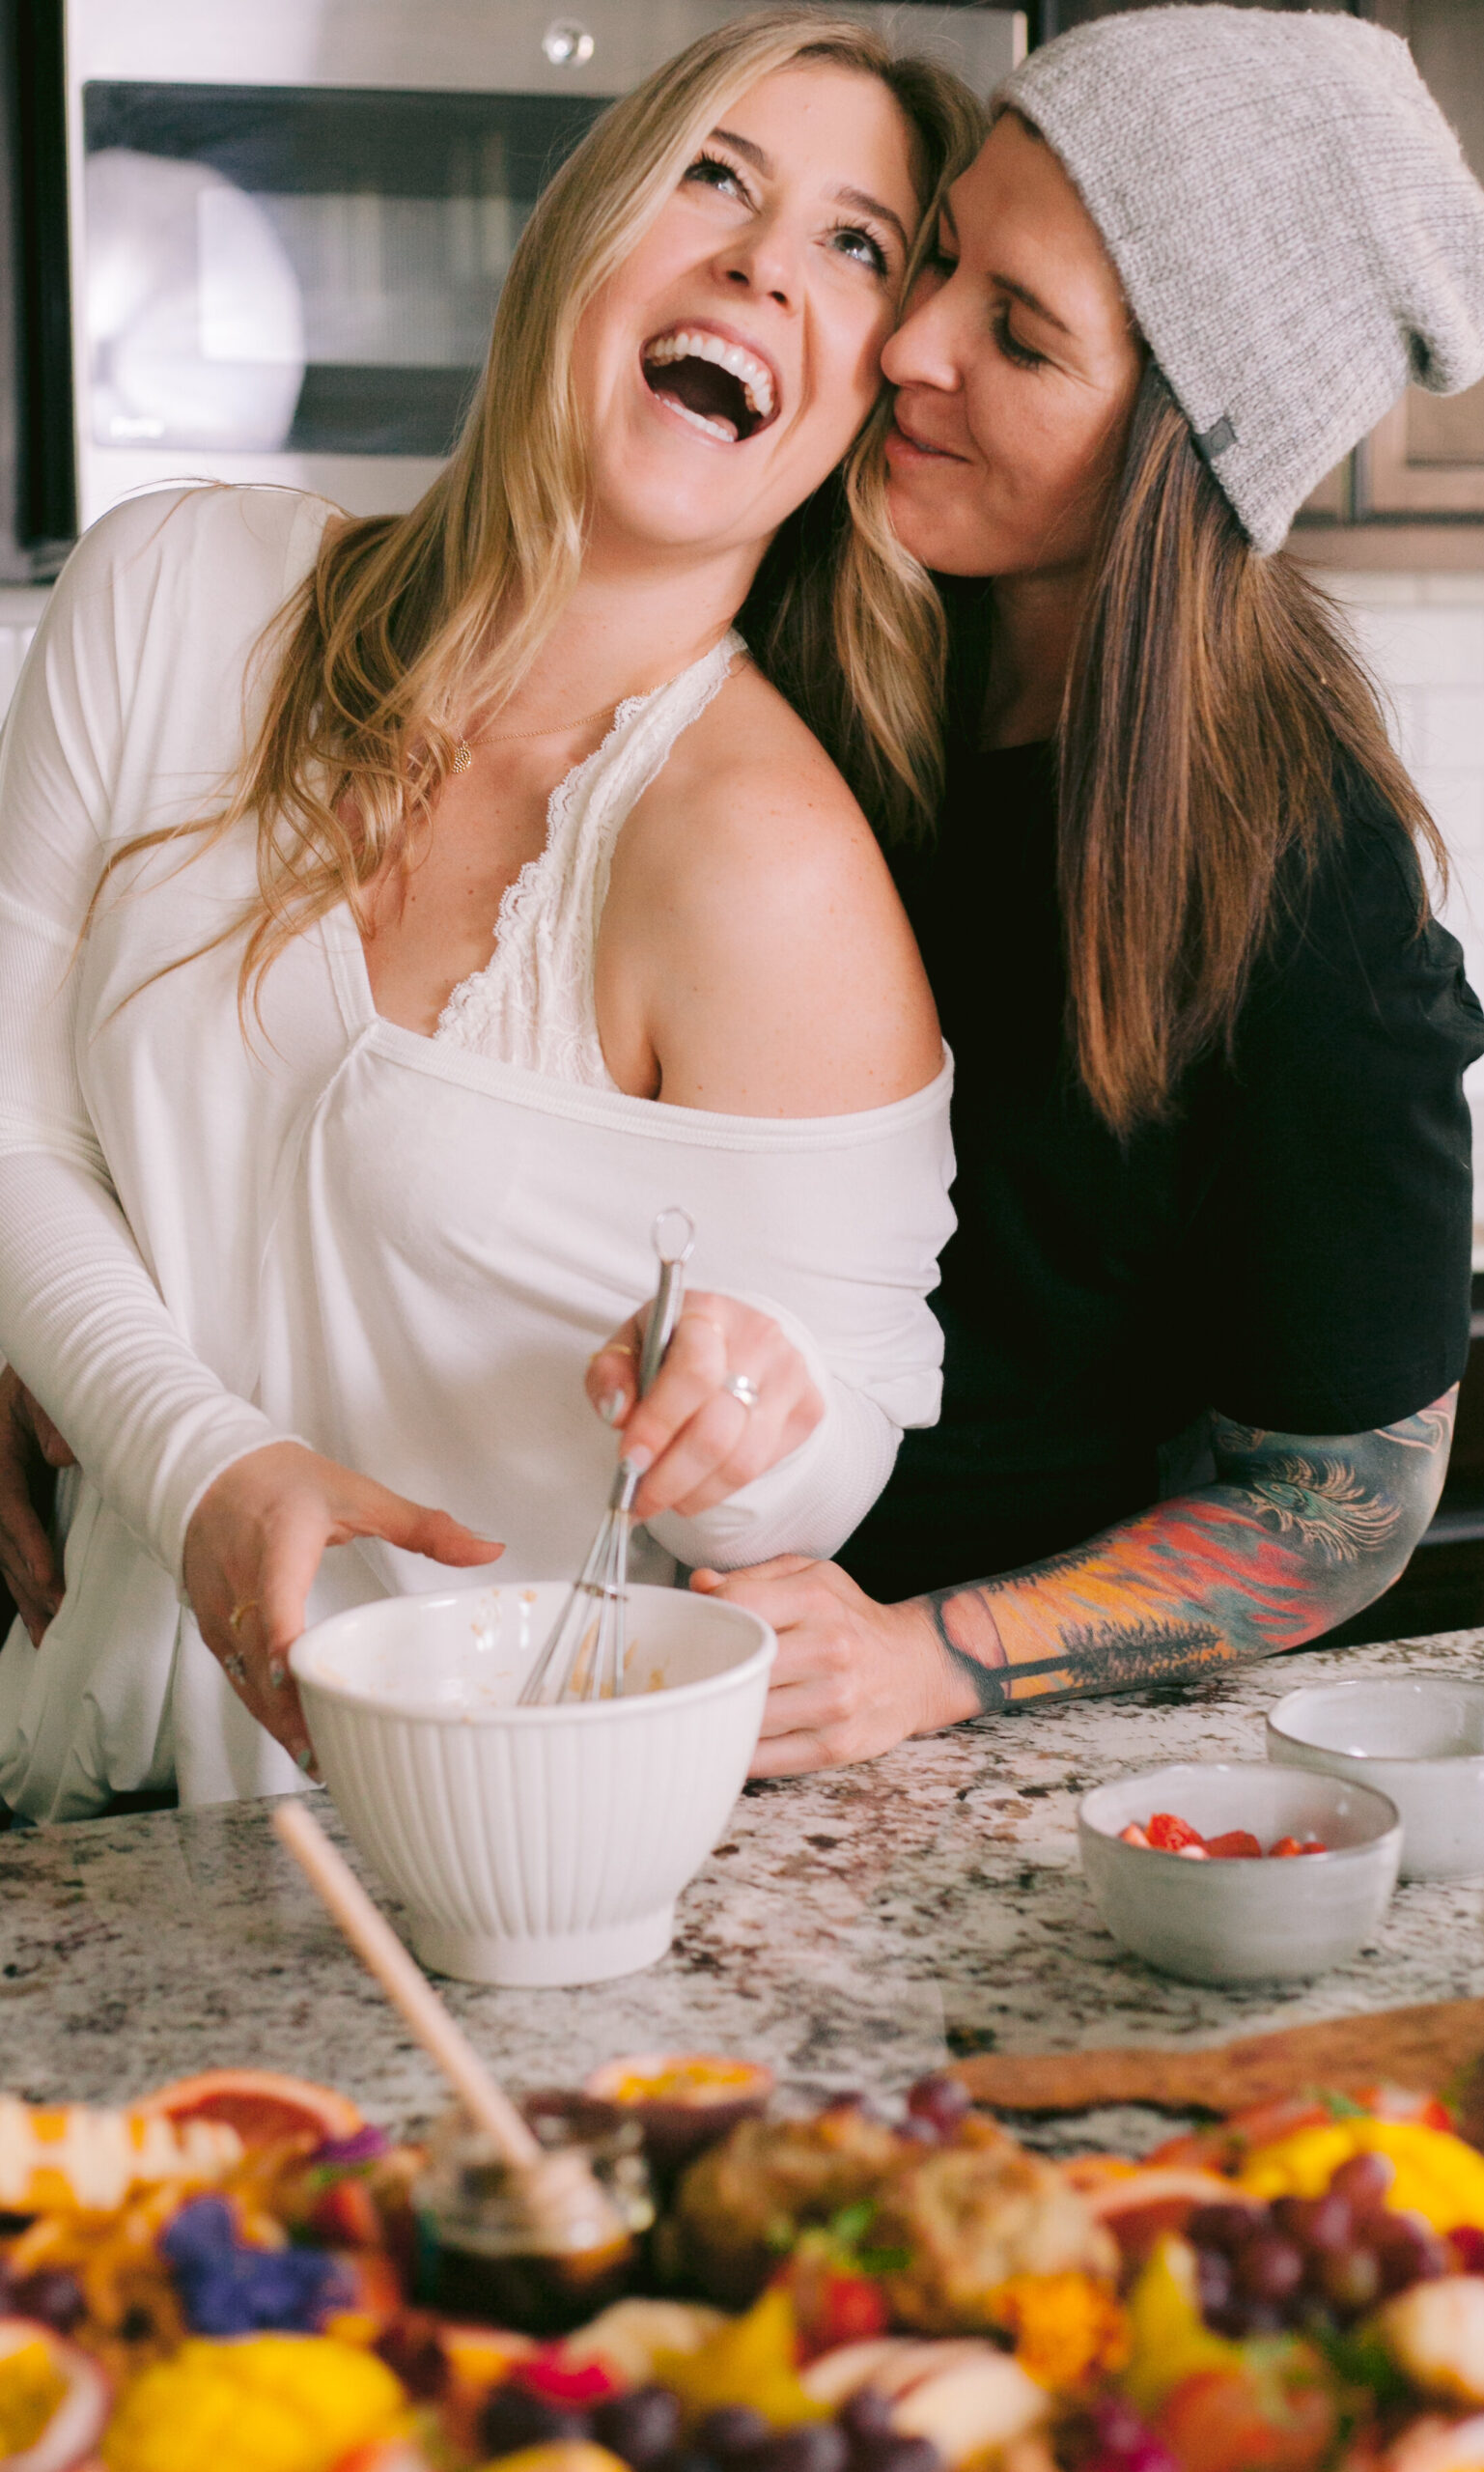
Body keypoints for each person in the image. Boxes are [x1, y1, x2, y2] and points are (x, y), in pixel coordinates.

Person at [0, 13, 981, 1818]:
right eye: (716, 176)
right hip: (69, 1805)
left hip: (507, 1849)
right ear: (580, 239)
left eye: (858, 243)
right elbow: (11, 1129)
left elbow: (824, 1464)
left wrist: (748, 1420)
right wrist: (201, 1467)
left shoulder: (767, 863)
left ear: (867, 393)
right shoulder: (169, 594)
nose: (767, 259)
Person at [673, 9, 1484, 1773]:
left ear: (1178, 454)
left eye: (1023, 335)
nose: (907, 343)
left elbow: (1343, 1496)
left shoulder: (1300, 879)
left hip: (911, 1753)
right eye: (945, 255)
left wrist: (933, 1660)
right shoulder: (797, 597)